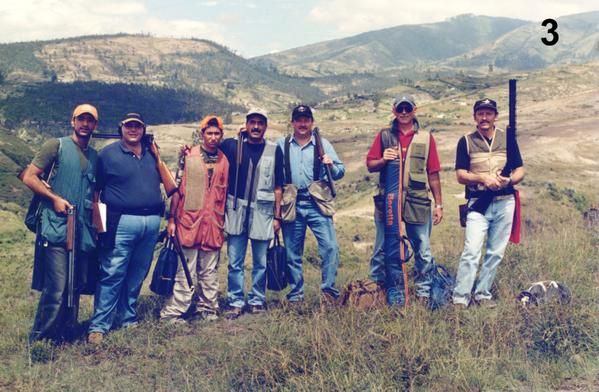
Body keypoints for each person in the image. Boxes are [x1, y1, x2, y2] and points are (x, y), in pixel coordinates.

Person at [88, 113, 177, 344]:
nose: (133, 130)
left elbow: (168, 184)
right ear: (122, 128)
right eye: (129, 126)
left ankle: (127, 318)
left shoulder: (152, 154)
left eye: (138, 126)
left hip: (150, 224)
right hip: (121, 222)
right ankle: (99, 325)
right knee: (112, 272)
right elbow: (96, 192)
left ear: (144, 130)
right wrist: (98, 225)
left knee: (138, 274)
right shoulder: (108, 154)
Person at [21, 104, 99, 343]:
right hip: (56, 226)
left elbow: (94, 193)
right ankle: (41, 339)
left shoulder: (95, 156)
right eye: (81, 119)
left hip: (82, 229)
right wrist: (54, 199)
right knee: (57, 285)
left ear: (95, 125)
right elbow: (29, 176)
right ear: (72, 121)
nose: (85, 124)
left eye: (90, 120)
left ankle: (66, 333)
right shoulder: (56, 145)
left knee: (76, 284)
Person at [366, 94, 443, 307]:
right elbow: (371, 164)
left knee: (423, 249)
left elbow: (433, 174)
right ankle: (381, 290)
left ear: (414, 110)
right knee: (383, 248)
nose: (403, 113)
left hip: (417, 202)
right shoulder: (384, 136)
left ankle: (423, 292)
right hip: (387, 202)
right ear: (394, 110)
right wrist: (384, 159)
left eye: (407, 108)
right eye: (400, 109)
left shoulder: (426, 138)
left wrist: (438, 204)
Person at [452, 98, 524, 308]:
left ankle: (483, 294)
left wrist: (509, 180)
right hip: (478, 202)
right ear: (475, 117)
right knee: (472, 251)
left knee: (495, 252)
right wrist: (483, 179)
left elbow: (520, 169)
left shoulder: (507, 138)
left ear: (495, 116)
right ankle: (460, 298)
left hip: (505, 201)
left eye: (488, 113)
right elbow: (460, 175)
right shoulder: (465, 141)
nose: (484, 117)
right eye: (480, 113)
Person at [160, 115, 229, 323]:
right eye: (209, 133)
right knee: (184, 270)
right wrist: (172, 219)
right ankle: (173, 312)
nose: (213, 137)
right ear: (202, 134)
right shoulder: (189, 156)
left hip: (213, 225)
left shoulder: (225, 161)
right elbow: (177, 192)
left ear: (221, 135)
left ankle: (207, 308)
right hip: (188, 223)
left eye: (217, 133)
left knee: (209, 271)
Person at [277, 105, 345, 307]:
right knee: (292, 252)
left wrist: (330, 163)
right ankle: (296, 295)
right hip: (292, 204)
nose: (302, 124)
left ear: (312, 122)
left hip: (317, 204)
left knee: (330, 248)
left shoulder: (322, 144)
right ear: (292, 123)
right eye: (298, 120)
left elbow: (340, 172)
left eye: (306, 119)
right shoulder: (282, 145)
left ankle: (328, 292)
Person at [219, 108, 284, 319]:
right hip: (236, 210)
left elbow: (278, 186)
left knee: (260, 261)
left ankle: (257, 300)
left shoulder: (275, 150)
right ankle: (235, 301)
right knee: (235, 261)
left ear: (266, 126)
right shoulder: (232, 145)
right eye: (252, 122)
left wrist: (277, 217)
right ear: (246, 125)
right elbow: (210, 148)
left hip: (263, 213)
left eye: (260, 123)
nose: (256, 126)